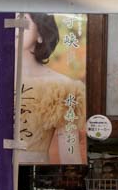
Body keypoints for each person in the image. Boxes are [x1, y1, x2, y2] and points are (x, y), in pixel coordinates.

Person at [13, 12, 85, 166]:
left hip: (32, 178)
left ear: (40, 33)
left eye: (22, 20)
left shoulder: (62, 87)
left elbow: (70, 155)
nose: (14, 27)